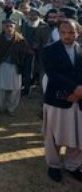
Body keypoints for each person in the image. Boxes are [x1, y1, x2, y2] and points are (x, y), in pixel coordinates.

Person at [42, 19, 82, 182]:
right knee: (53, 135)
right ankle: (54, 165)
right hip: (58, 99)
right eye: (63, 32)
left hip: (79, 99)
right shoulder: (49, 50)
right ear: (58, 32)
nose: (67, 36)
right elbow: (53, 74)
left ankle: (73, 165)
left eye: (71, 32)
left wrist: (80, 91)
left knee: (79, 134)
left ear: (78, 33)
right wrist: (74, 89)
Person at [0, 19, 28, 116]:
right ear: (3, 27)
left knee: (15, 90)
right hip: (2, 66)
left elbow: (25, 54)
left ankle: (11, 108)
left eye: (11, 26)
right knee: (0, 89)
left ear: (14, 27)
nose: (9, 28)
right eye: (7, 26)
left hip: (15, 67)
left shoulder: (20, 39)